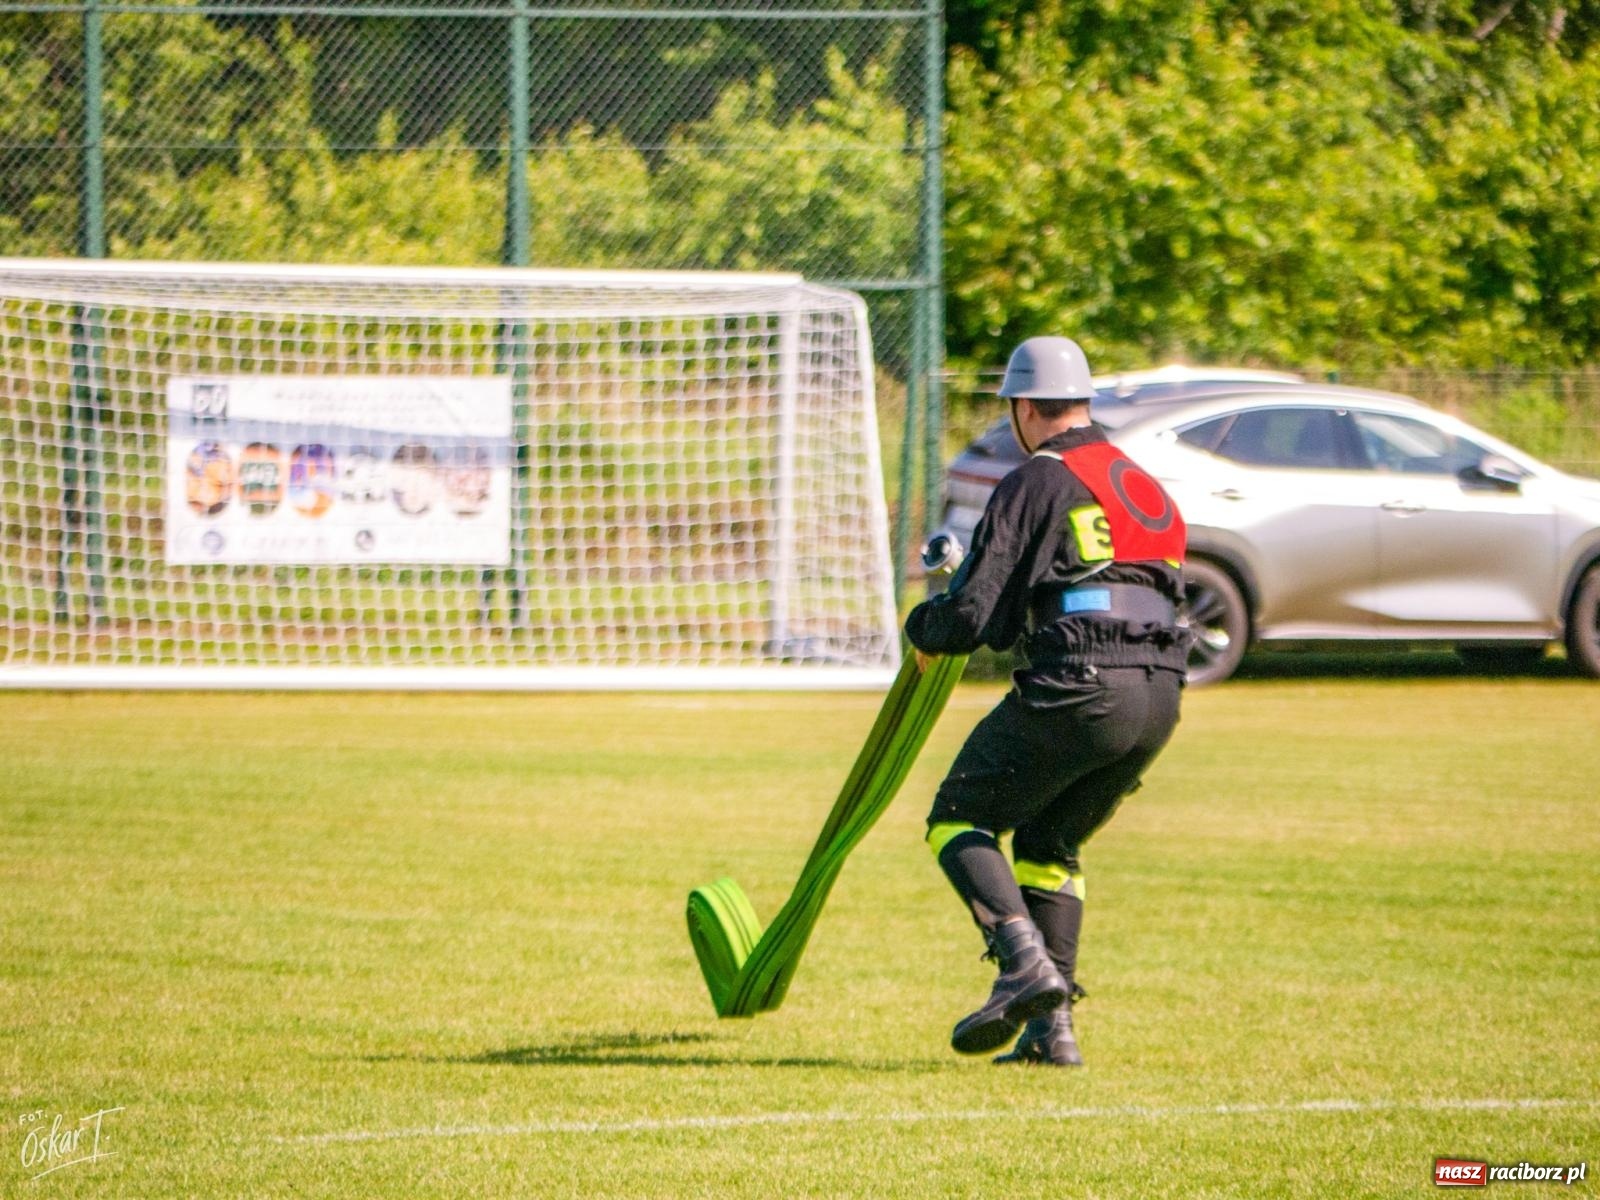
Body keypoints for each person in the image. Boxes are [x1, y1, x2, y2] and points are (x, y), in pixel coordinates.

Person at [905, 335, 1189, 1066]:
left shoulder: (1039, 477)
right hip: (1159, 694)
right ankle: (1051, 1032)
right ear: (1084, 401)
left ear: (1024, 407)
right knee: (1048, 844)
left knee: (958, 819)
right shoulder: (1144, 485)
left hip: (1083, 682)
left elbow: (976, 619)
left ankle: (1022, 968)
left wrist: (923, 624)